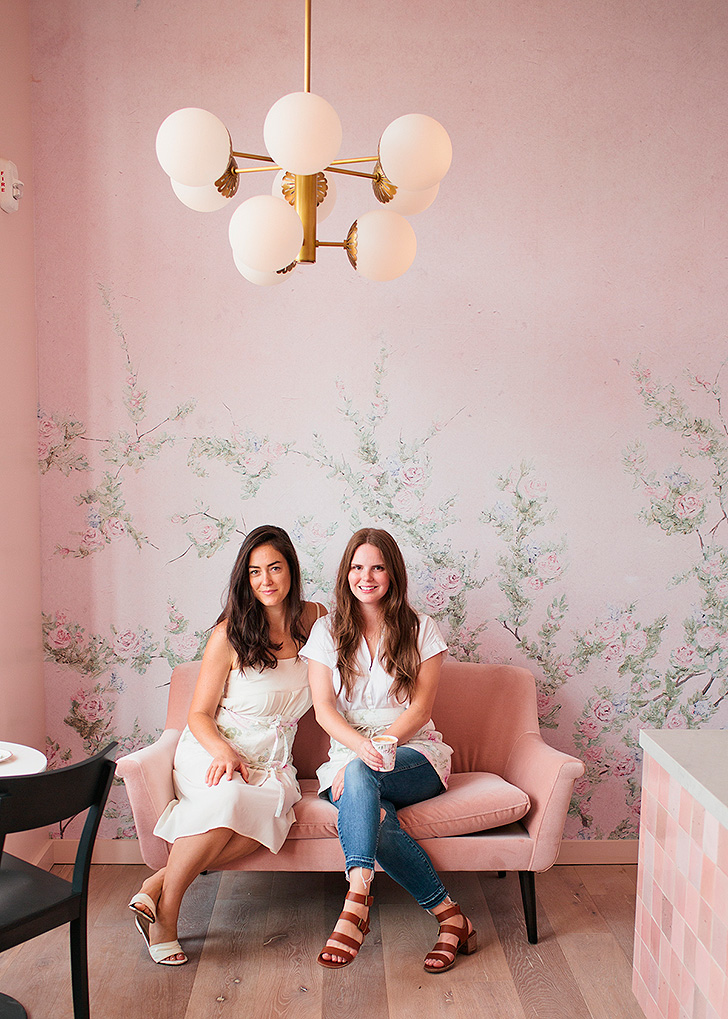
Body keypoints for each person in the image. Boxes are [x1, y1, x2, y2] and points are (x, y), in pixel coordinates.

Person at [128, 525, 325, 965]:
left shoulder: (315, 619)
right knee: (232, 797)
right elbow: (197, 715)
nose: (266, 581)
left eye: (275, 568)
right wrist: (223, 752)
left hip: (273, 761)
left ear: (291, 569)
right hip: (215, 751)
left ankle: (156, 885)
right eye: (255, 572)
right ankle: (168, 917)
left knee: (271, 813)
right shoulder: (228, 635)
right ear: (245, 579)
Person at [301, 528, 476, 973]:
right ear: (346, 574)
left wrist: (382, 744)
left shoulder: (421, 628)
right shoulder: (326, 630)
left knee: (360, 775)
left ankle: (356, 901)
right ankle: (452, 919)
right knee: (371, 807)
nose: (367, 576)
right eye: (358, 567)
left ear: (392, 573)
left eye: (377, 566)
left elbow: (420, 709)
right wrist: (361, 748)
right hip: (349, 750)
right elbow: (323, 709)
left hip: (413, 749)